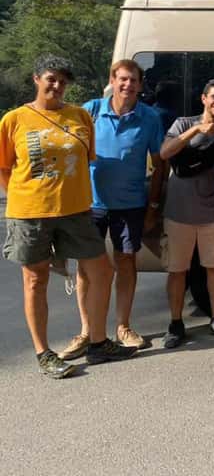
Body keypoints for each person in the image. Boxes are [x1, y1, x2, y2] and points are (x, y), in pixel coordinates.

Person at [0, 55, 137, 378]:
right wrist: (24, 196)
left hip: (76, 211)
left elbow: (85, 162)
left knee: (102, 270)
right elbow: (4, 169)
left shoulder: (79, 117)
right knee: (36, 280)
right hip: (30, 213)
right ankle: (44, 353)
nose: (58, 86)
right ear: (36, 79)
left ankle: (99, 342)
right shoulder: (14, 119)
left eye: (63, 81)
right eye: (51, 79)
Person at [57, 60, 165, 359]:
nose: (127, 85)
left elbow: (159, 164)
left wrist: (154, 205)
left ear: (140, 86)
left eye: (133, 80)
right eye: (122, 79)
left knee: (126, 262)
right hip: (89, 205)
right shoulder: (89, 111)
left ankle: (123, 327)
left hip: (130, 203)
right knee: (86, 269)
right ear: (112, 81)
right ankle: (87, 331)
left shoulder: (150, 118)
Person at [158, 78, 214, 348]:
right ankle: (175, 323)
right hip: (178, 214)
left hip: (212, 213)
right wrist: (195, 131)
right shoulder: (182, 123)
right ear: (203, 98)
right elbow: (164, 152)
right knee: (177, 271)